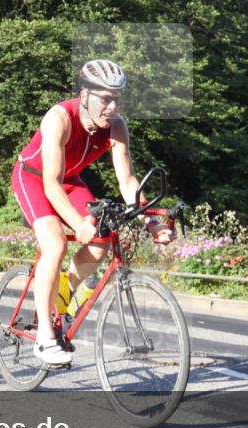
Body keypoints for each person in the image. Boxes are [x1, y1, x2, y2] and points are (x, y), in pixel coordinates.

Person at [11, 59, 173, 365]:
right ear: (85, 95)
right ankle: (44, 337)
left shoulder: (116, 126)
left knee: (100, 241)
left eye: (118, 99)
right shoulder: (59, 118)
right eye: (106, 98)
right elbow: (50, 183)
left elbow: (127, 181)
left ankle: (62, 295)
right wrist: (75, 223)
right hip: (33, 177)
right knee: (55, 243)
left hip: (70, 180)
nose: (112, 107)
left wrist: (150, 221)